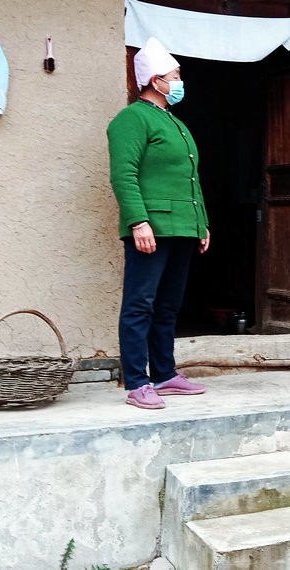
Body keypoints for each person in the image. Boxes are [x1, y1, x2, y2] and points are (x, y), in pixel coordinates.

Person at [107, 37, 210, 410]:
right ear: (155, 80)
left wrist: (201, 224)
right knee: (140, 304)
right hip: (152, 226)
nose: (180, 82)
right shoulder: (132, 118)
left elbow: (190, 179)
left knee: (168, 305)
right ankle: (137, 381)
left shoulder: (173, 121)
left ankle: (165, 374)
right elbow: (124, 174)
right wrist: (138, 221)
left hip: (182, 226)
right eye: (175, 75)